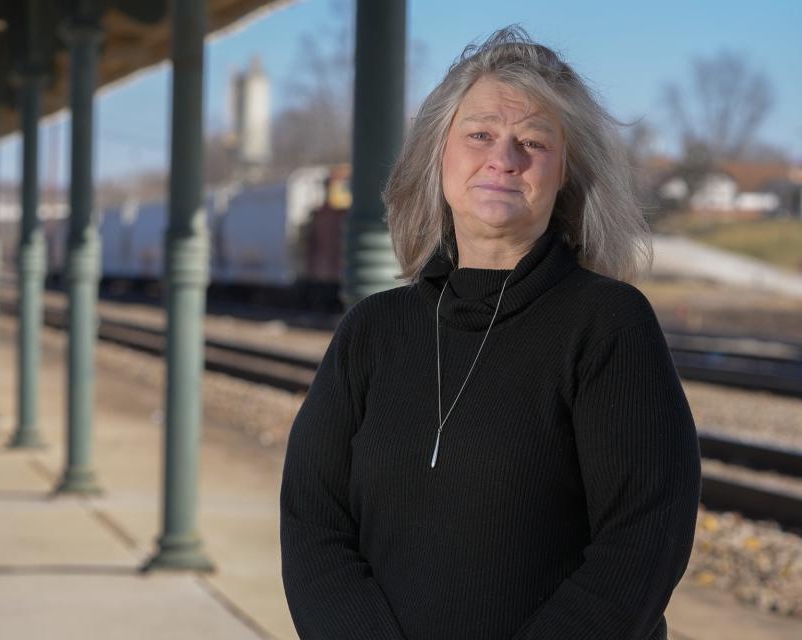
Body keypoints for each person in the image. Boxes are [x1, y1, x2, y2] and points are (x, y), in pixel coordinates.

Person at [280, 25, 701, 640]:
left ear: (565, 176)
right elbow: (313, 525)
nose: (504, 158)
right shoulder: (371, 330)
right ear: (439, 154)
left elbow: (642, 541)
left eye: (533, 141)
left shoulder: (609, 324)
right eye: (480, 134)